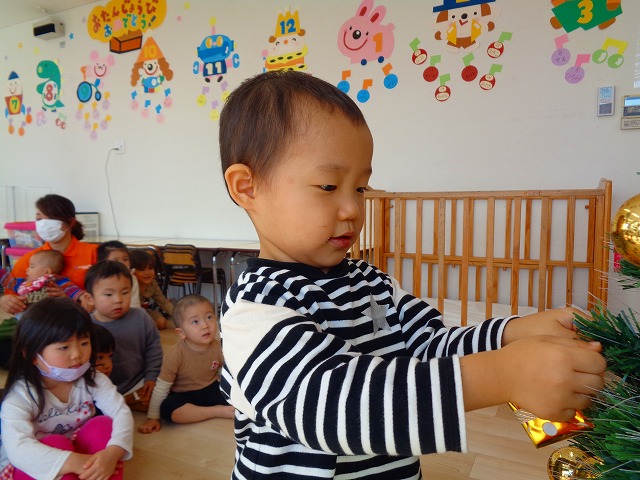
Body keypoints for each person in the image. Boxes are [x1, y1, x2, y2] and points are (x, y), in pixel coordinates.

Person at [216, 71, 607, 479]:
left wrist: (513, 334)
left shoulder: (374, 284)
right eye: (329, 186)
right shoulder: (254, 310)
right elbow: (331, 406)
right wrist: (502, 374)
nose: (353, 209)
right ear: (247, 188)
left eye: (361, 189)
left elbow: (432, 345)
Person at [0, 297, 133, 480]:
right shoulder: (20, 396)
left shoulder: (94, 380)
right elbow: (19, 449)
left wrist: (113, 453)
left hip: (76, 453)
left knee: (103, 425)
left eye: (84, 343)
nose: (77, 354)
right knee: (55, 443)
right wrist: (75, 462)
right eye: (64, 347)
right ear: (32, 355)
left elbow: (120, 413)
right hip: (31, 464)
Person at [138, 294, 234, 434]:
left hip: (211, 388)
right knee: (167, 408)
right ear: (181, 333)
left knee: (238, 395)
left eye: (209, 317)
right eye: (195, 322)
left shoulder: (217, 347)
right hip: (184, 395)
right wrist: (153, 418)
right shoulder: (175, 356)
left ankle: (211, 409)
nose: (205, 325)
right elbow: (161, 388)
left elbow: (224, 371)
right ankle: (216, 411)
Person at [0, 194, 98, 316]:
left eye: (51, 219)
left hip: (84, 318)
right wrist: (6, 301)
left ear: (71, 222)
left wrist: (71, 300)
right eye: (39, 219)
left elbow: (110, 294)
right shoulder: (30, 259)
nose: (43, 224)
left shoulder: (94, 253)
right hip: (41, 320)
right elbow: (12, 291)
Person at [85, 260, 162, 412]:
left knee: (169, 393)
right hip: (101, 390)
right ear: (90, 298)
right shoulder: (86, 326)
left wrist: (151, 377)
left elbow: (154, 349)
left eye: (125, 293)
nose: (118, 300)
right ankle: (125, 403)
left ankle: (131, 401)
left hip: (138, 381)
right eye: (109, 294)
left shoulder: (141, 317)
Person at [9, 250, 90, 306]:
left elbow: (70, 288)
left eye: (32, 267)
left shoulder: (55, 280)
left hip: (51, 313)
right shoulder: (25, 283)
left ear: (47, 272)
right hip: (30, 313)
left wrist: (81, 296)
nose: (27, 269)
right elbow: (11, 282)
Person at [129, 249, 173, 330]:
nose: (147, 272)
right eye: (142, 270)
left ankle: (147, 328)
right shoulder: (130, 284)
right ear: (133, 271)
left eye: (150, 268)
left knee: (162, 322)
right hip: (129, 315)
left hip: (142, 312)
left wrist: (179, 316)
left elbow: (163, 302)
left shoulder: (152, 283)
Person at [97, 241, 141, 309]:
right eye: (115, 261)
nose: (122, 264)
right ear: (103, 262)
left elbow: (135, 305)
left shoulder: (132, 278)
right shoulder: (97, 279)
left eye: (125, 259)